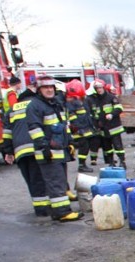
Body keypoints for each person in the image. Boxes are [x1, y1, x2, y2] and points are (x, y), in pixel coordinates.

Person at [26, 75, 82, 222]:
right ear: (39, 90)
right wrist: (44, 147)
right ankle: (62, 212)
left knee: (61, 181)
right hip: (48, 152)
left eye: (51, 87)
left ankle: (59, 211)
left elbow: (64, 125)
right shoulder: (34, 106)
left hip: (59, 150)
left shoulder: (55, 104)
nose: (49, 90)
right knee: (55, 182)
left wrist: (70, 142)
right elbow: (34, 128)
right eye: (46, 87)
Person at [1, 77, 50, 216]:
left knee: (30, 179)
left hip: (20, 151)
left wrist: (8, 152)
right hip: (35, 147)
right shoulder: (36, 106)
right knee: (39, 179)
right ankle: (43, 209)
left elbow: (7, 133)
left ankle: (39, 207)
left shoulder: (12, 109)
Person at [88, 79, 126, 168]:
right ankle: (111, 162)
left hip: (114, 127)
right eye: (97, 88)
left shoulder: (111, 97)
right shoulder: (95, 100)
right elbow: (95, 114)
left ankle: (122, 162)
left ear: (103, 87)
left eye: (100, 88)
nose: (99, 90)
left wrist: (112, 114)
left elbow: (119, 108)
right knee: (107, 147)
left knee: (118, 146)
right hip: (103, 128)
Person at [64, 79, 95, 173]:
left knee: (86, 146)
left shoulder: (80, 101)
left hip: (84, 127)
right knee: (84, 146)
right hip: (79, 129)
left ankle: (82, 164)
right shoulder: (71, 103)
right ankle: (81, 165)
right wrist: (77, 128)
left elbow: (85, 115)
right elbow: (72, 117)